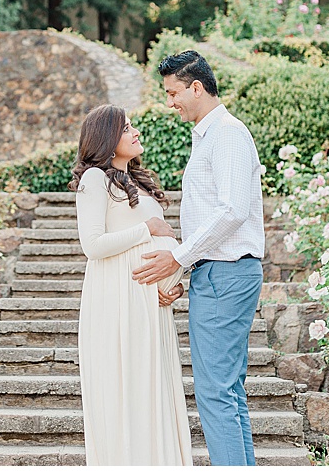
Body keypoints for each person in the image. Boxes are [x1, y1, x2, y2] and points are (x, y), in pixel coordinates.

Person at [131, 50, 266, 466]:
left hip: (226, 273)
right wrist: (189, 264)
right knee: (226, 391)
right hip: (218, 272)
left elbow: (232, 211)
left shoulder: (226, 133)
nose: (169, 102)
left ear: (196, 87)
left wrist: (178, 257)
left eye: (173, 93)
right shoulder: (210, 135)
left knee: (214, 392)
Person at [71, 104, 193, 466]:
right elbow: (92, 245)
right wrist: (148, 229)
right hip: (116, 303)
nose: (135, 132)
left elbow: (160, 250)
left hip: (149, 305)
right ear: (108, 140)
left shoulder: (137, 184)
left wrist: (173, 285)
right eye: (127, 128)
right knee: (126, 392)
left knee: (153, 393)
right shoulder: (95, 179)